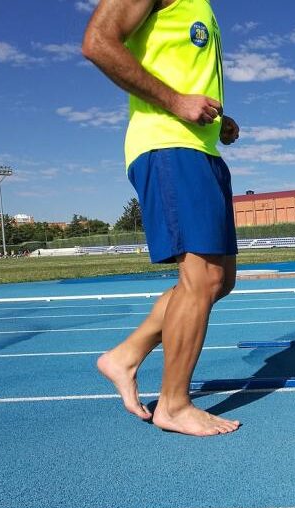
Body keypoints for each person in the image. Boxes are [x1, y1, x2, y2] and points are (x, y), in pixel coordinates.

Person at [83, 0, 241, 436]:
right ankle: (173, 404)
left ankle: (125, 356)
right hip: (169, 145)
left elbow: (182, 70)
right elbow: (98, 43)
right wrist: (176, 102)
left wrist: (218, 120)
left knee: (220, 281)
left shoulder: (200, 5)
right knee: (202, 279)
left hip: (201, 148)